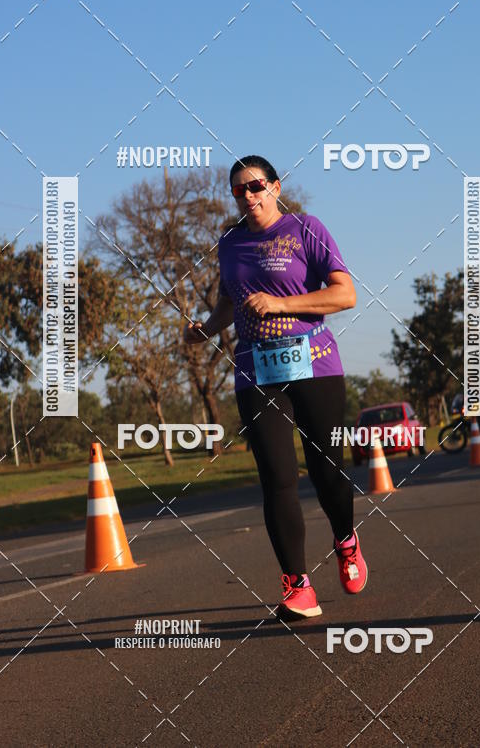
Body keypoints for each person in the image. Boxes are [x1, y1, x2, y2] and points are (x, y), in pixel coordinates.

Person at [183, 155, 367, 620]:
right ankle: (298, 585)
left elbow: (345, 294)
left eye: (256, 186)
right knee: (277, 477)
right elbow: (229, 304)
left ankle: (346, 540)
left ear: (275, 187)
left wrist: (282, 304)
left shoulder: (306, 229)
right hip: (255, 369)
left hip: (316, 363)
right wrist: (206, 329)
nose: (248, 195)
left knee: (326, 470)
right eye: (238, 190)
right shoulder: (229, 243)